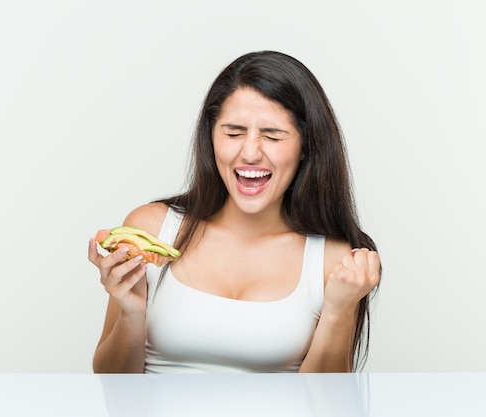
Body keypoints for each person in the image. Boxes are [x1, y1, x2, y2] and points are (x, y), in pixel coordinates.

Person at [88, 50, 381, 373]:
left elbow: (328, 404)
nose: (250, 153)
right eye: (233, 133)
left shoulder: (334, 261)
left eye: (272, 136)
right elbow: (112, 385)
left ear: (305, 148)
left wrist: (339, 310)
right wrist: (131, 312)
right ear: (211, 138)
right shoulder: (151, 231)